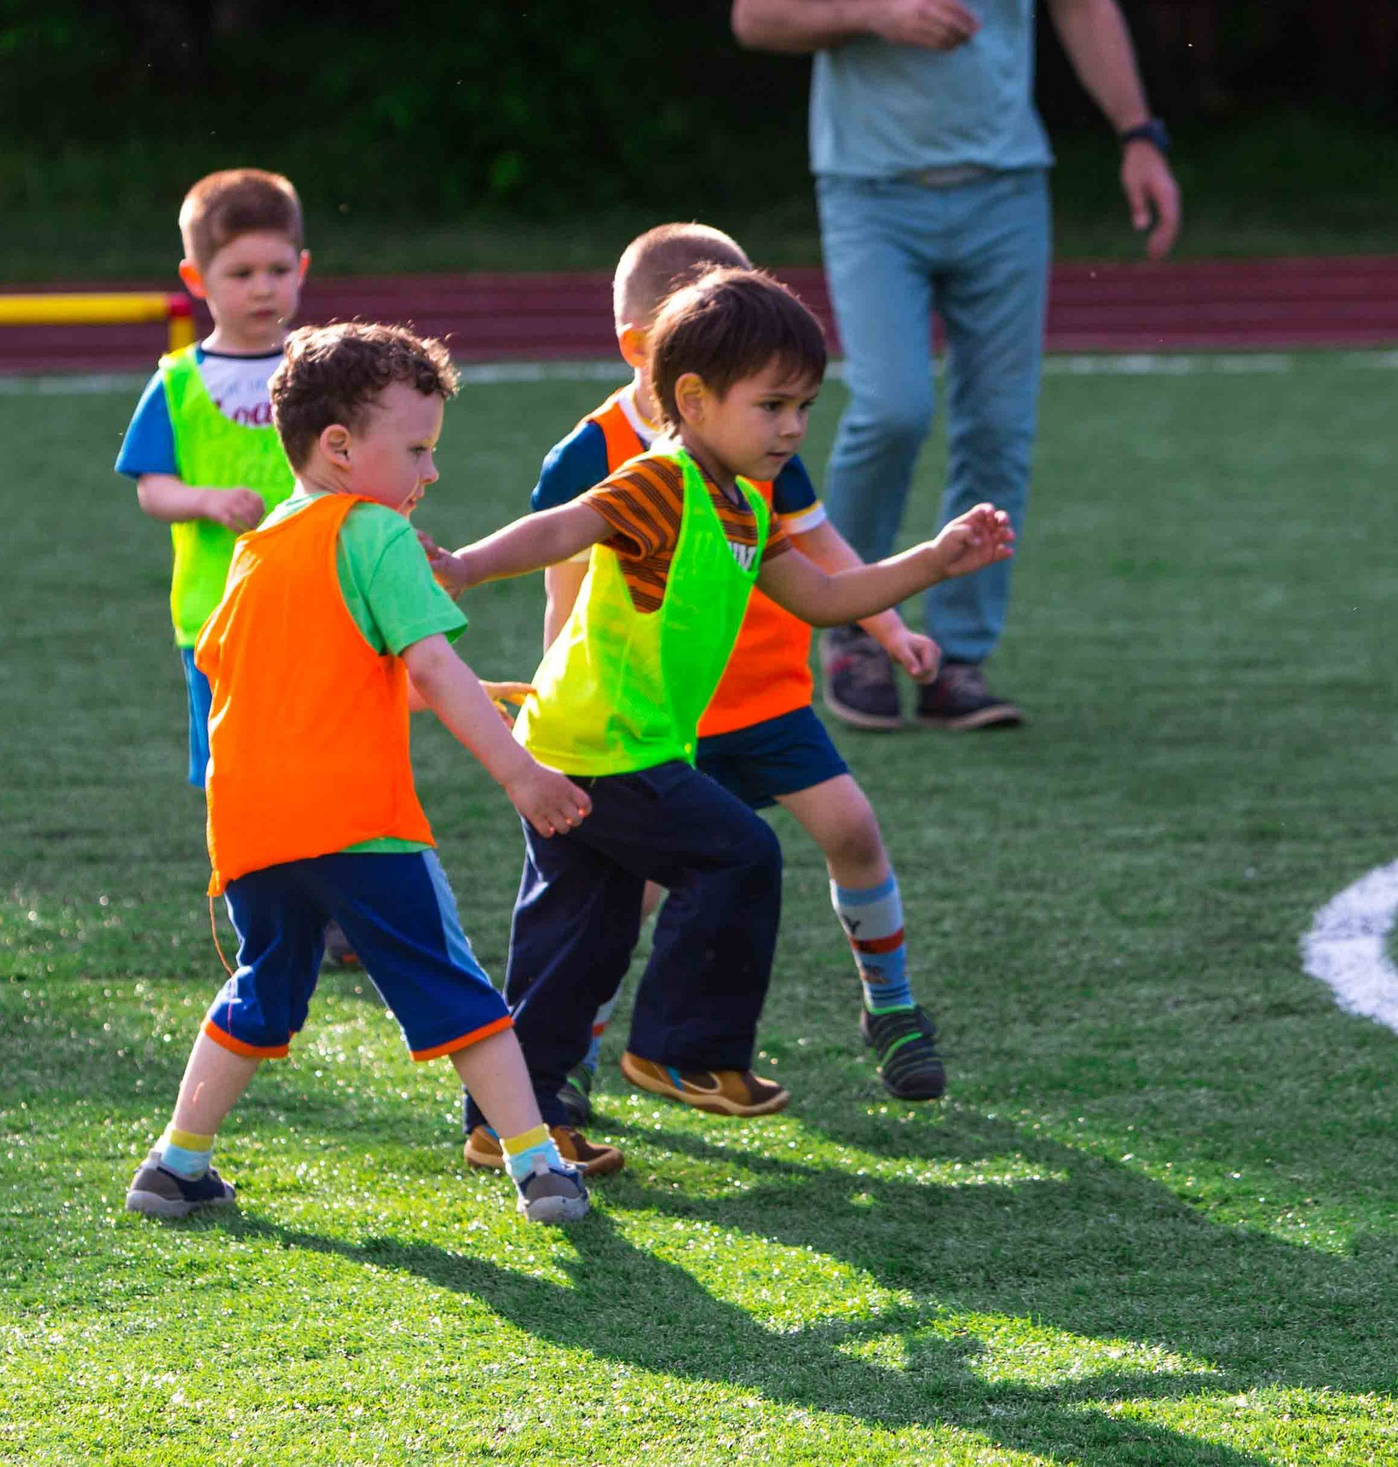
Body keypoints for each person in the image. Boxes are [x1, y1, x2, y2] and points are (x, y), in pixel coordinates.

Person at [428, 267, 1013, 1131]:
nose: (793, 428)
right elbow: (568, 525)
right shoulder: (662, 481)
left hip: (612, 742)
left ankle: (514, 1121)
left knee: (576, 943)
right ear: (694, 400)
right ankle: (682, 1049)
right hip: (605, 741)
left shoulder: (742, 504)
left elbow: (820, 599)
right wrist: (468, 566)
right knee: (739, 854)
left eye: (804, 407)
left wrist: (934, 559)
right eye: (772, 406)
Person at [731, 0, 1179, 734]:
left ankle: (959, 658)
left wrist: (1137, 132)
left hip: (1005, 184)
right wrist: (872, 11)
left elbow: (1079, 0)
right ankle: (856, 631)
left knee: (996, 430)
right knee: (889, 404)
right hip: (872, 185)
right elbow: (756, 11)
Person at [122, 323, 596, 1226]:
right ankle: (538, 1164)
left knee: (263, 985)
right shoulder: (373, 530)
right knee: (457, 988)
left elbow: (287, 681)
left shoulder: (256, 551)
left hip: (255, 831)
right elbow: (430, 666)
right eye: (417, 448)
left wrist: (425, 696)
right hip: (356, 821)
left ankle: (176, 1161)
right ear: (339, 447)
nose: (431, 471)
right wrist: (522, 773)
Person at [113, 167, 357, 967]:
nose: (264, 289)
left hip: (323, 607)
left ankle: (341, 906)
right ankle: (268, 909)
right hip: (216, 622)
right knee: (239, 771)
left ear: (304, 269)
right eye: (241, 273)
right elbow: (152, 489)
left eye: (279, 270)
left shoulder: (325, 369)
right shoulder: (179, 381)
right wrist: (206, 498)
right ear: (195, 280)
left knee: (330, 758)